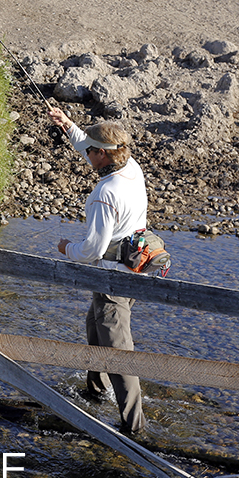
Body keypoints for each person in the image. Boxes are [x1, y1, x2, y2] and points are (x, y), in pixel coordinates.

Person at [49, 105, 147, 434]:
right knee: (94, 326)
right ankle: (95, 392)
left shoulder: (104, 195)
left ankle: (134, 427)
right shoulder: (131, 166)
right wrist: (67, 125)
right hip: (134, 271)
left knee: (119, 354)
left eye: (91, 152)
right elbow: (89, 146)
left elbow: (93, 249)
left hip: (111, 279)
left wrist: (66, 249)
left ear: (103, 155)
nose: (86, 156)